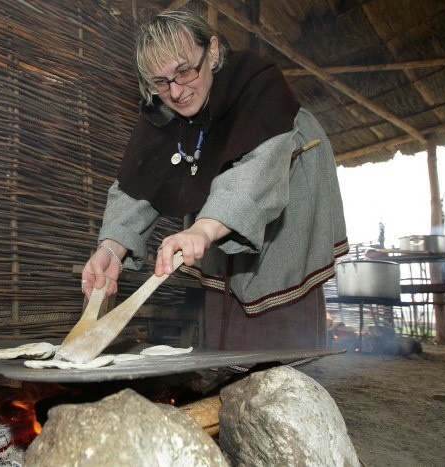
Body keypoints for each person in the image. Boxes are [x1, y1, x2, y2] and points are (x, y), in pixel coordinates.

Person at [80, 9, 348, 351]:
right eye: (161, 82)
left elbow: (255, 174)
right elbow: (138, 182)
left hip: (286, 186)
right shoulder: (166, 107)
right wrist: (111, 250)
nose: (176, 92)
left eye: (184, 71)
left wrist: (202, 229)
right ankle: (228, 374)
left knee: (269, 284)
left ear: (214, 51)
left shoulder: (257, 86)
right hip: (224, 203)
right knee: (221, 281)